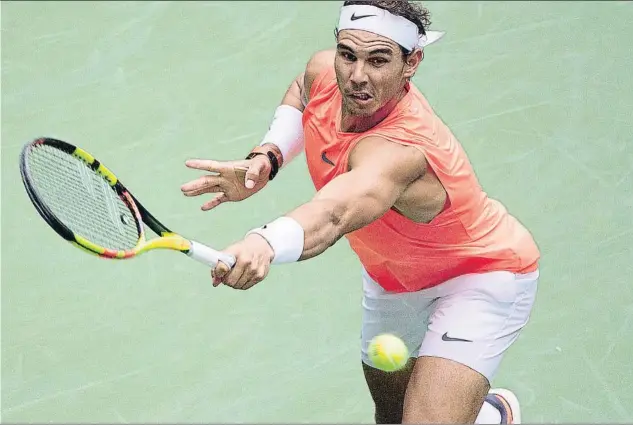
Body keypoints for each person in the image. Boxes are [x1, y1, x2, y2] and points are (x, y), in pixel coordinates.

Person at [180, 1, 540, 423]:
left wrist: (264, 241)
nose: (357, 76)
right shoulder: (325, 73)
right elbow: (303, 90)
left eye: (379, 60)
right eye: (347, 54)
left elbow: (334, 213)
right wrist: (269, 156)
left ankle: (494, 413)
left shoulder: (401, 150)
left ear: (412, 62)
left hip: (479, 276)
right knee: (390, 415)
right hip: (392, 280)